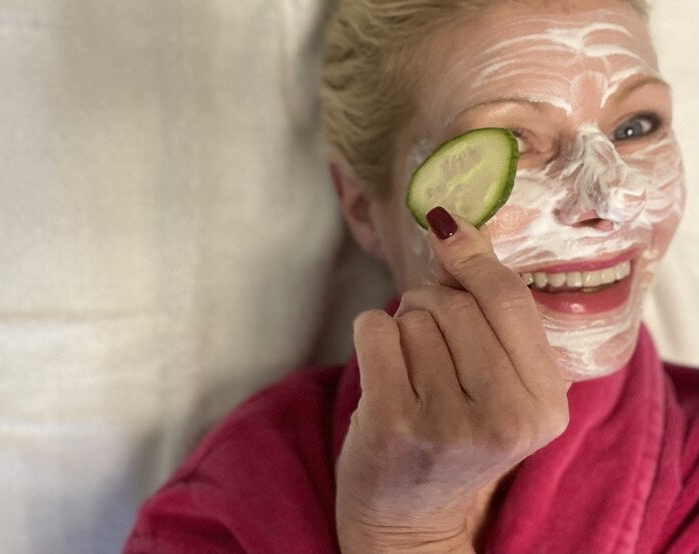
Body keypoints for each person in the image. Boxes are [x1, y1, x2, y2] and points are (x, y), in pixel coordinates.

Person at [123, 0, 698, 552]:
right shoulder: (233, 503)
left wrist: (409, 539)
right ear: (362, 208)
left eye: (635, 126)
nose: (613, 197)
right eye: (512, 141)